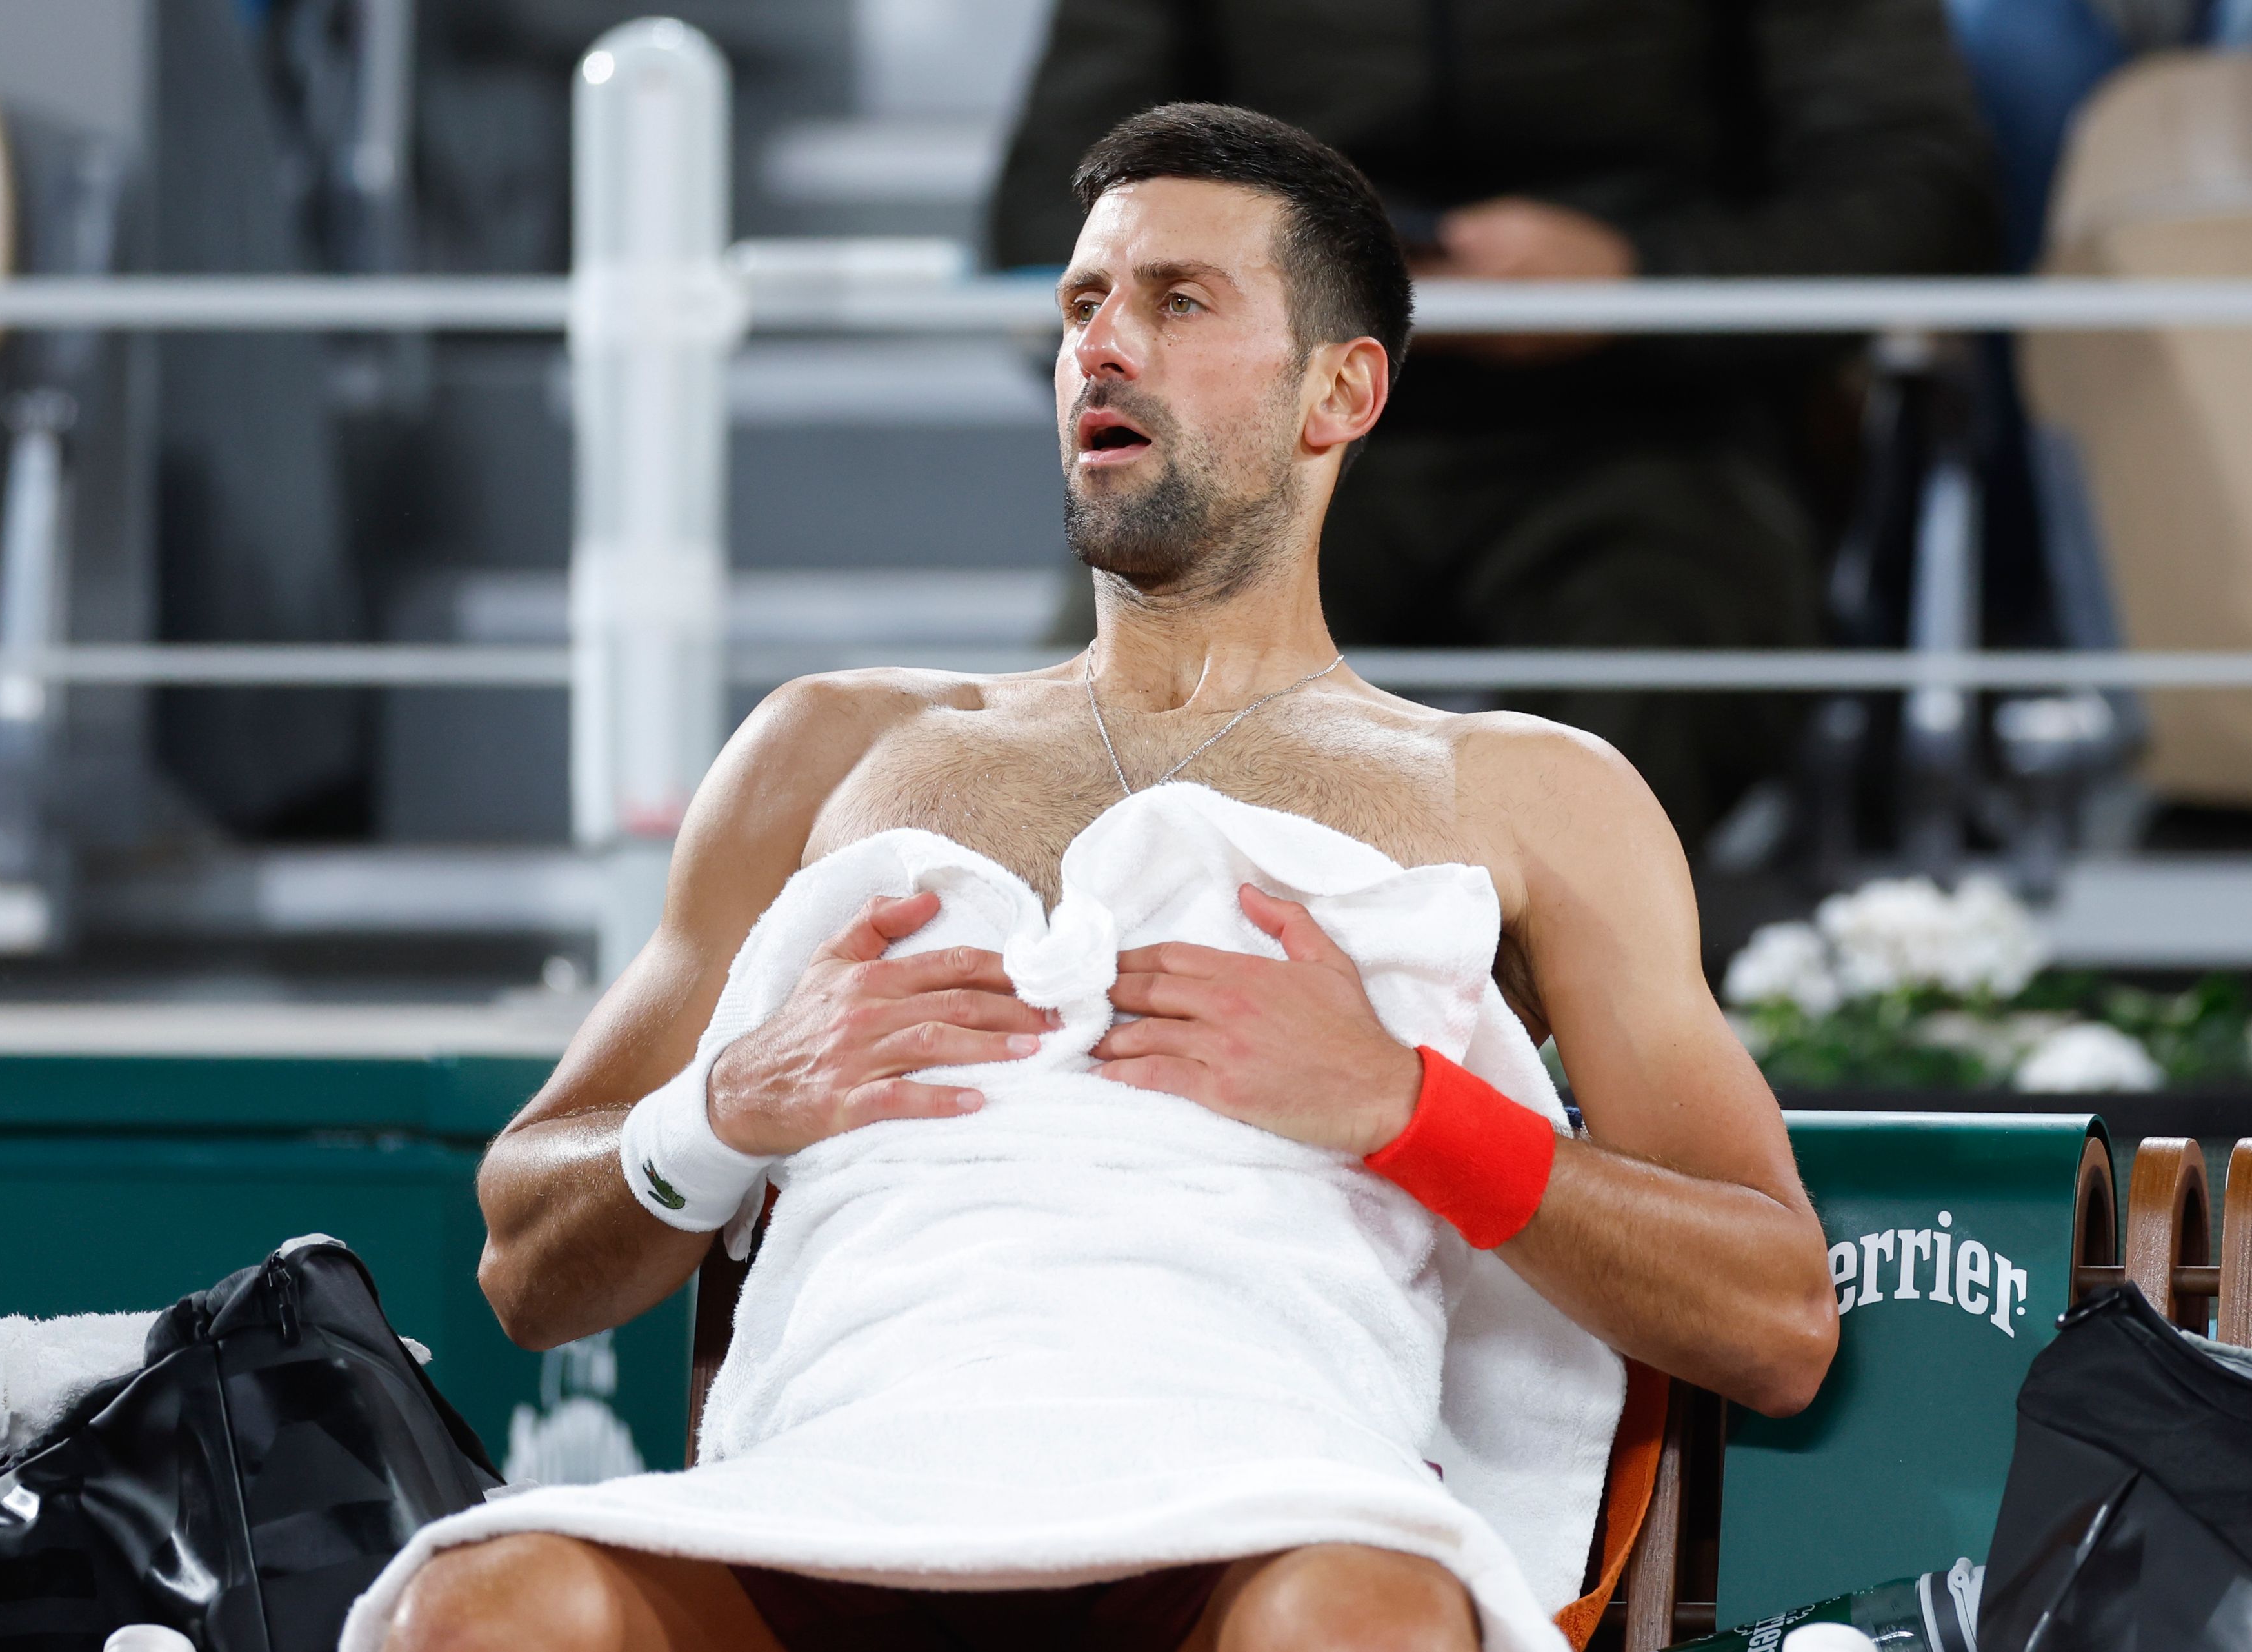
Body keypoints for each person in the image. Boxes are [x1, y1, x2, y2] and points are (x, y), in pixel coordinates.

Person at [367, 106, 1834, 1652]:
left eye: (1178, 302)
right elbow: (526, 1265)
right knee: (489, 1605)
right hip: (841, 1503)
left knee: (1363, 1618)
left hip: (1259, 1521)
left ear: (1343, 390)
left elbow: (1776, 1320)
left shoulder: (1520, 792)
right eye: (1083, 304)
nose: (1103, 349)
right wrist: (721, 1109)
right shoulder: (832, 746)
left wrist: (1411, 1106)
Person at [993, 0, 2002, 846]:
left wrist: (1635, 278)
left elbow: (1922, 191)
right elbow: (1049, 217)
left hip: (1654, 426)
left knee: (1665, 657)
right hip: (1278, 427)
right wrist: (1285, 279)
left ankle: (1534, 1034)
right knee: (1118, 721)